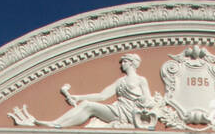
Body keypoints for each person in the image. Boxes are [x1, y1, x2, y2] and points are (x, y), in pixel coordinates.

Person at [9, 54, 158, 129]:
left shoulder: (141, 80)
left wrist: (143, 102)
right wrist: (78, 97)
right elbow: (102, 95)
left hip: (130, 113)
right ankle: (56, 124)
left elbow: (149, 100)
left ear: (132, 63)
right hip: (118, 109)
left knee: (89, 106)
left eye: (125, 61)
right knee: (87, 104)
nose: (122, 64)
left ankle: (57, 124)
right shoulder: (120, 81)